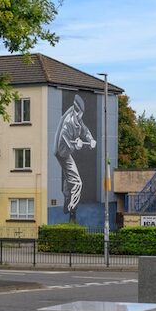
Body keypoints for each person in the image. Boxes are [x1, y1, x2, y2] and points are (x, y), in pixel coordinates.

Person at [54, 94, 96, 223]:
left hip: (66, 151)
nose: (81, 115)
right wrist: (75, 144)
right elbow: (65, 141)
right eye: (80, 113)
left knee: (69, 177)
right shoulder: (67, 123)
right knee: (77, 182)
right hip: (62, 152)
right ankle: (72, 210)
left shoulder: (76, 118)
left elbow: (84, 130)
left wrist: (90, 139)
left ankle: (67, 198)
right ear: (78, 111)